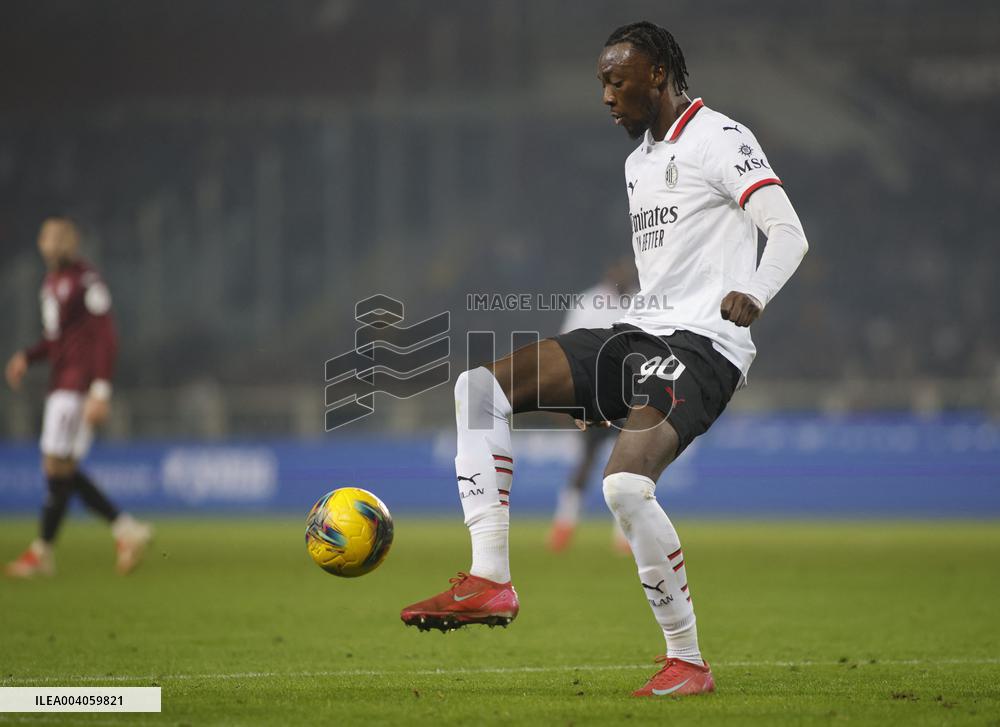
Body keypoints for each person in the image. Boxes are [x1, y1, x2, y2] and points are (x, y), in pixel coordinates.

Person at [400, 21, 808, 698]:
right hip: (639, 335)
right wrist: (600, 391)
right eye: (601, 84)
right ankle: (491, 578)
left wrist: (755, 291)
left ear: (657, 75)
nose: (607, 96)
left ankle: (687, 660)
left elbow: (788, 231)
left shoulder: (720, 137)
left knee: (622, 486)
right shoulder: (637, 163)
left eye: (617, 81)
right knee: (480, 388)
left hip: (706, 344)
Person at [4, 217, 152, 578]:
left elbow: (106, 336)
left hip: (78, 385)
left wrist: (100, 389)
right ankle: (124, 530)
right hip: (61, 382)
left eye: (57, 237)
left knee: (58, 466)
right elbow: (57, 338)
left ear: (71, 243)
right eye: (45, 237)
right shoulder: (50, 283)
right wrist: (29, 356)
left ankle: (46, 551)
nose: (49, 243)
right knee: (61, 469)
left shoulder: (87, 280)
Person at [547, 259, 633, 553]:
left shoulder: (642, 301)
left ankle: (625, 536)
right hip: (594, 395)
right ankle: (564, 525)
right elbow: (566, 348)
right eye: (619, 271)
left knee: (629, 466)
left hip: (630, 396)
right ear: (608, 274)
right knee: (586, 459)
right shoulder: (589, 303)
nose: (624, 276)